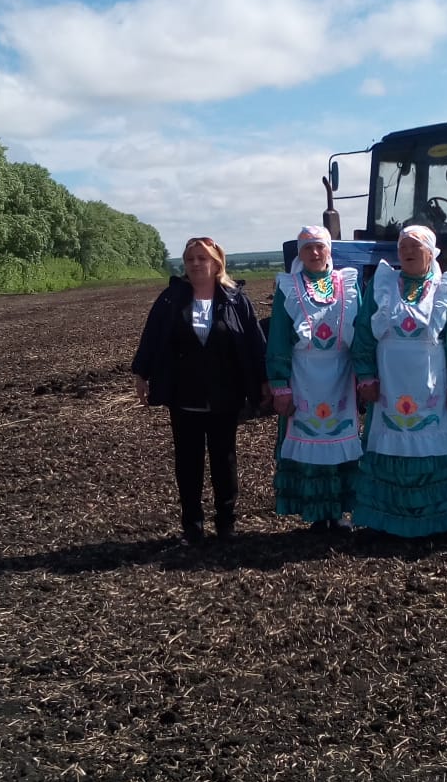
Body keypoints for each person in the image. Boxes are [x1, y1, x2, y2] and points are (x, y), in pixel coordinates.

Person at [351, 225, 447, 536]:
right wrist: (366, 375)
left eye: (415, 246)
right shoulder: (382, 285)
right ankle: (387, 516)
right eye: (403, 248)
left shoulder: (446, 288)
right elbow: (363, 333)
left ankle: (440, 516)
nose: (408, 252)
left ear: (431, 252)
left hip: (432, 383)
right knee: (390, 438)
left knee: (436, 438)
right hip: (389, 382)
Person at [131, 236, 269, 545]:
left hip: (225, 394)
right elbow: (152, 337)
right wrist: (141, 374)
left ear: (217, 262)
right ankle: (192, 526)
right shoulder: (171, 298)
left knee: (225, 459)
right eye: (190, 258)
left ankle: (226, 524)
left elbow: (254, 343)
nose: (195, 263)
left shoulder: (235, 299)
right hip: (185, 395)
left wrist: (263, 380)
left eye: (202, 258)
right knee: (188, 462)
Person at [266, 226, 362, 531]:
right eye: (308, 248)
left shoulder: (348, 284)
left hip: (341, 376)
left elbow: (361, 332)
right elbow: (279, 337)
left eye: (320, 247)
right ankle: (316, 511)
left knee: (340, 439)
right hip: (303, 374)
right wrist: (279, 384)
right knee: (309, 439)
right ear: (300, 253)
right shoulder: (288, 287)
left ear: (329, 250)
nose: (315, 253)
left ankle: (338, 510)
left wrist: (366, 376)